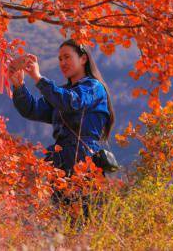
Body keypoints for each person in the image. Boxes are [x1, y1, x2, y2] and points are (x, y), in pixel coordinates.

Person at [7, 39, 116, 223]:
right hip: (60, 164)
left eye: (67, 57)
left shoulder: (93, 87)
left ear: (83, 59)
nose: (62, 63)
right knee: (65, 223)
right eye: (60, 59)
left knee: (86, 220)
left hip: (85, 160)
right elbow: (32, 109)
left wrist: (39, 79)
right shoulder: (61, 92)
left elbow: (72, 102)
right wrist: (19, 86)